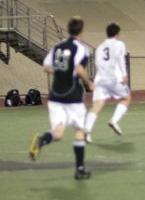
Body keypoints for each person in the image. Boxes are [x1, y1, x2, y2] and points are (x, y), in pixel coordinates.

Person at [28, 16, 94, 180]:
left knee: (58, 133)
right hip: (73, 95)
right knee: (79, 130)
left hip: (56, 95)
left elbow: (45, 67)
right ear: (81, 31)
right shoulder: (81, 48)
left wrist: (59, 70)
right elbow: (79, 68)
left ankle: (41, 141)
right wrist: (89, 83)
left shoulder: (58, 46)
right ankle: (80, 169)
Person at [84, 22, 131, 142]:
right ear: (117, 34)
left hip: (100, 79)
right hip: (114, 78)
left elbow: (97, 63)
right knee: (126, 98)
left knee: (96, 106)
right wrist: (124, 74)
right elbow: (120, 59)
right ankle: (114, 121)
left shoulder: (99, 47)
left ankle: (87, 130)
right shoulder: (119, 44)